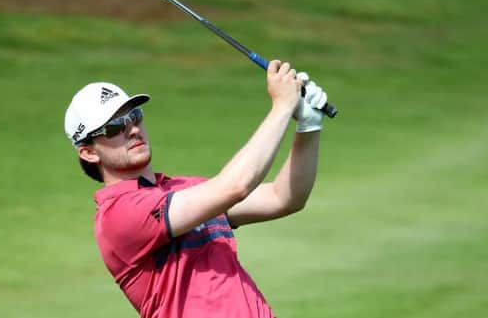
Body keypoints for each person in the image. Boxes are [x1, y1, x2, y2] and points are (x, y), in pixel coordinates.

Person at [64, 60, 328, 318]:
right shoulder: (119, 214)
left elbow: (283, 198)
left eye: (135, 116)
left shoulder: (183, 189)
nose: (132, 129)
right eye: (114, 128)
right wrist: (282, 107)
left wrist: (308, 126)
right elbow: (236, 186)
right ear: (88, 153)